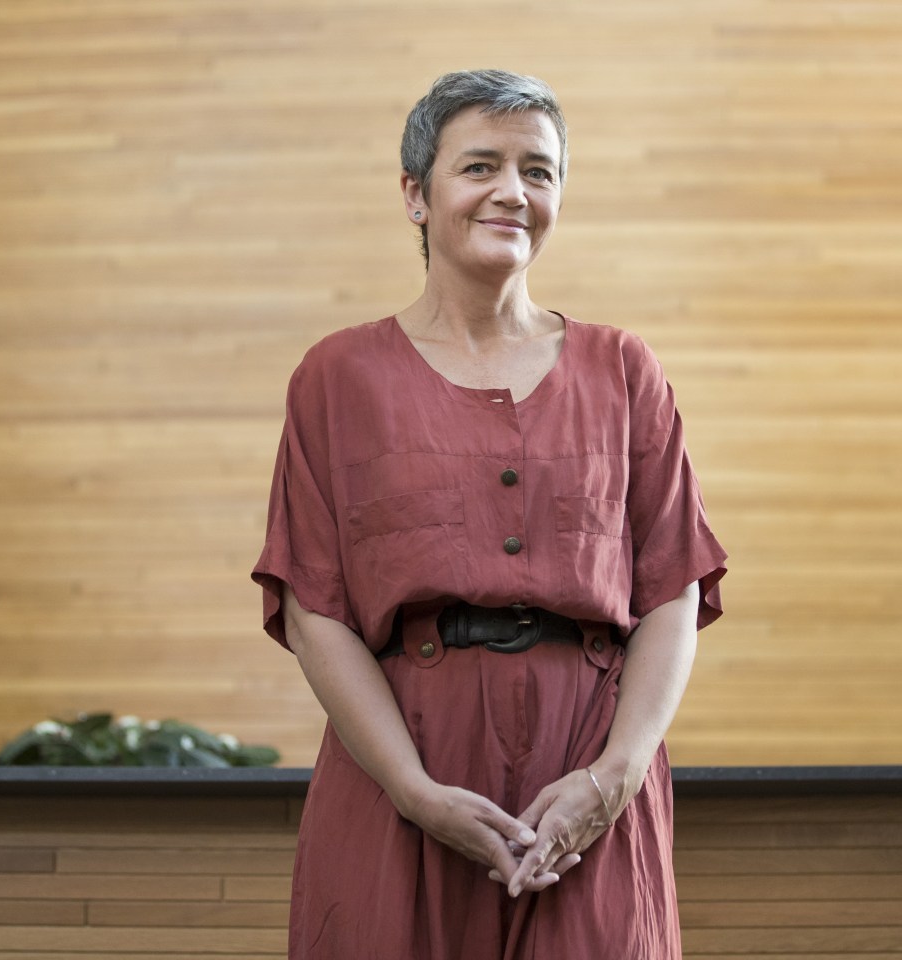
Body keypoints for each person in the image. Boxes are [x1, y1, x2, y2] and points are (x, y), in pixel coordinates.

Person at [252, 69, 726, 960]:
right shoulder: (336, 378)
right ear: (415, 195)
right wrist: (413, 791)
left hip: (589, 770)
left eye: (539, 172)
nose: (513, 191)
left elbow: (673, 589)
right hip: (404, 769)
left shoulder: (624, 370)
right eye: (480, 166)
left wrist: (612, 780)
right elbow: (316, 610)